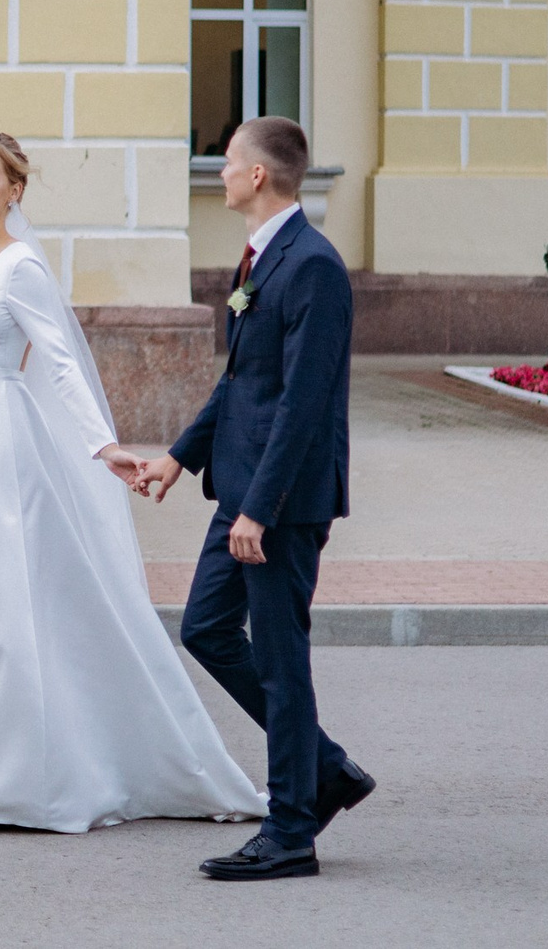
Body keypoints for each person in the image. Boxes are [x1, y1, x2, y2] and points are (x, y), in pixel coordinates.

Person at [0, 130, 265, 834]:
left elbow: (59, 360)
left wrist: (102, 444)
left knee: (0, 617)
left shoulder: (20, 267)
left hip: (3, 452)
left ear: (14, 189)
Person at [142, 115, 374, 880]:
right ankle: (324, 768)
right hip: (242, 489)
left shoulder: (312, 266)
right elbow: (244, 382)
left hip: (279, 503)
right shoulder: (262, 257)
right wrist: (180, 457)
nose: (219, 170)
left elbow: (302, 404)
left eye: (228, 160)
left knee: (279, 661)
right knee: (206, 627)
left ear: (258, 176)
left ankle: (291, 830)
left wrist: (260, 510)